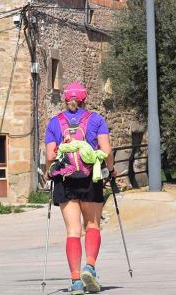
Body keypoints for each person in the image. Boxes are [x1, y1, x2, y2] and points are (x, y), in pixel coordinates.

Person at [45, 82, 114, 295]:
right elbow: (107, 150)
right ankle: (90, 267)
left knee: (73, 231)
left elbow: (49, 157)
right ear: (85, 99)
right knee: (92, 225)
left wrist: (50, 172)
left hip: (64, 180)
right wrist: (111, 171)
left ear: (66, 100)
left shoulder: (54, 123)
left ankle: (75, 281)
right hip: (90, 179)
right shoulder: (96, 119)